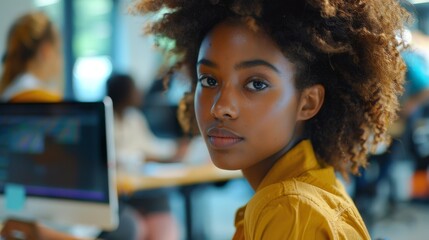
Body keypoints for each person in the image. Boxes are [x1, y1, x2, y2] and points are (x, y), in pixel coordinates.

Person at [135, 0, 408, 239]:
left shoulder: (291, 208)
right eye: (208, 80)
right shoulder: (303, 192)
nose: (221, 108)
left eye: (255, 84)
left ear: (308, 102)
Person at [0, 12, 139, 240]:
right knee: (128, 223)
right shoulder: (44, 103)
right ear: (46, 50)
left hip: (14, 211)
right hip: (48, 218)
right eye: (58, 51)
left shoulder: (7, 97)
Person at [106, 73, 181, 240]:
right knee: (135, 227)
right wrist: (143, 157)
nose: (139, 93)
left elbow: (150, 145)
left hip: (140, 187)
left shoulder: (134, 118)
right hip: (119, 194)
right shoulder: (104, 121)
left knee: (164, 208)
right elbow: (117, 157)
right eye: (134, 89)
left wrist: (175, 148)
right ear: (123, 93)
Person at [0, 11, 63, 102]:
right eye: (58, 50)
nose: (60, 60)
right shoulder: (45, 100)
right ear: (46, 51)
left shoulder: (8, 92)